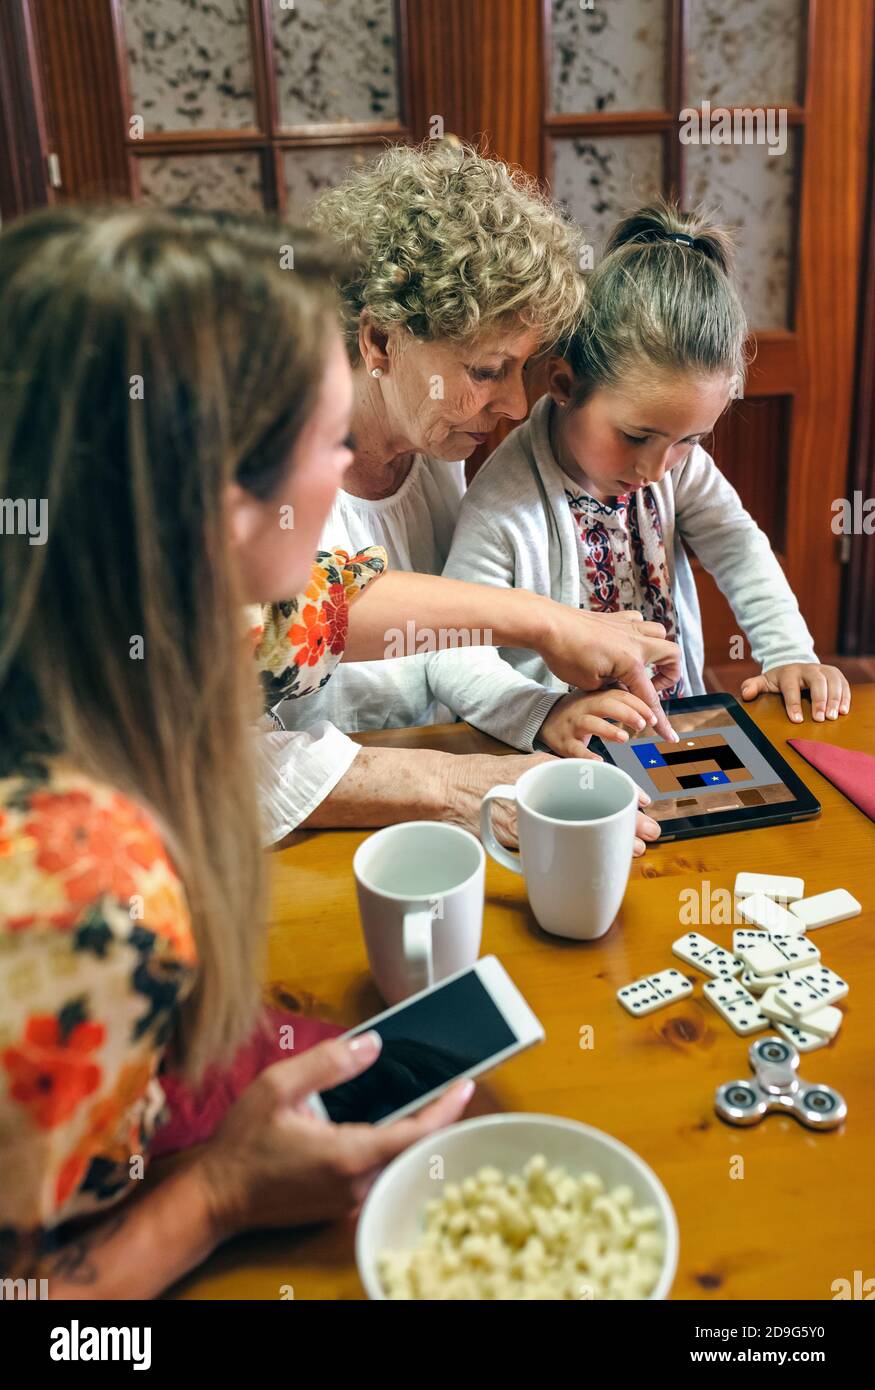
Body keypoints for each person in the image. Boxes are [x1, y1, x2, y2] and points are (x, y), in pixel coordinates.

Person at [0, 205, 677, 1296]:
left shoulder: (114, 594)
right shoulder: (82, 885)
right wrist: (217, 1194)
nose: (352, 475)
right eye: (327, 444)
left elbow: (325, 602)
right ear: (226, 508)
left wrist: (541, 623)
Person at [269, 141, 669, 855]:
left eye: (523, 370)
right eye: (489, 370)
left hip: (423, 805)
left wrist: (539, 714)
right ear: (380, 341)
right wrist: (453, 784)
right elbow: (240, 748)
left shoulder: (432, 447)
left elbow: (431, 644)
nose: (516, 406)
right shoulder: (264, 476)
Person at [441, 200, 851, 756]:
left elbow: (737, 545)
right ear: (563, 384)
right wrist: (544, 713)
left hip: (676, 731)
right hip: (561, 756)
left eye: (690, 440)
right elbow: (451, 659)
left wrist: (788, 653)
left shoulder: (677, 467)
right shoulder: (501, 506)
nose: (657, 469)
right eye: (636, 437)